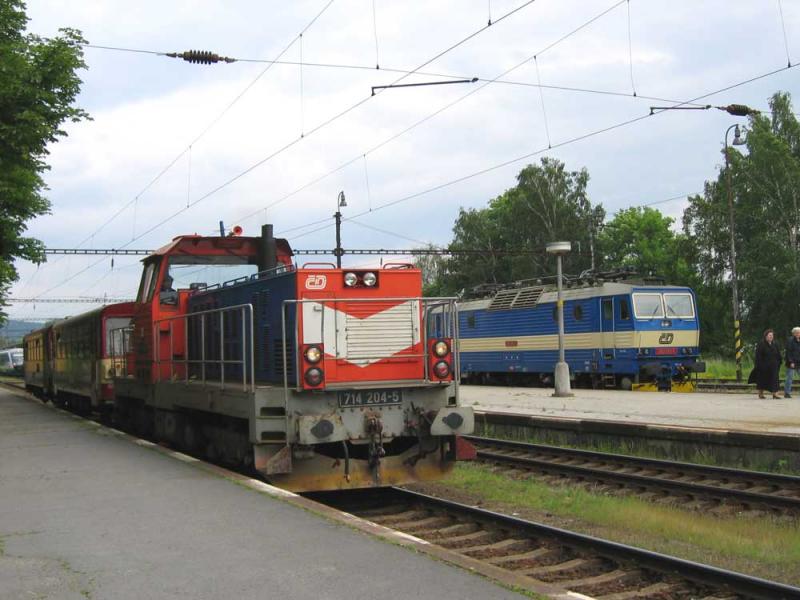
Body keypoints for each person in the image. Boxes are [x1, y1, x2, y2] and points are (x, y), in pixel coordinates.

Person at [753, 329, 782, 399]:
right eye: (769, 335)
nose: (771, 337)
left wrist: (779, 362)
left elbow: (778, 354)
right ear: (766, 336)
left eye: (772, 335)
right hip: (764, 366)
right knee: (762, 380)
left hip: (774, 366)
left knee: (775, 380)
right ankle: (761, 393)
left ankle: (775, 394)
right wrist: (759, 365)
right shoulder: (761, 344)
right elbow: (758, 356)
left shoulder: (775, 344)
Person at [785, 327, 800, 398]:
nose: (798, 334)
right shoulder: (790, 340)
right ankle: (787, 393)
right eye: (797, 333)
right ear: (793, 333)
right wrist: (791, 362)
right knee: (790, 377)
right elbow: (788, 352)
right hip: (791, 363)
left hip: (799, 362)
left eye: (799, 333)